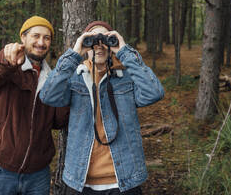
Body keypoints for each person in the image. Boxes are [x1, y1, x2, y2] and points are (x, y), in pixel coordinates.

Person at [40, 21, 164, 194]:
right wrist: (75, 53)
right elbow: (47, 95)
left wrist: (124, 51)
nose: (99, 46)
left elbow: (154, 92)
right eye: (92, 40)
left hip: (124, 180)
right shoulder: (74, 78)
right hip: (80, 181)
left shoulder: (126, 78)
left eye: (105, 39)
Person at [0, 16, 69, 195]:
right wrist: (6, 58)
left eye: (46, 38)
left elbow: (59, 122)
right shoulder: (10, 67)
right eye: (36, 36)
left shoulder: (51, 77)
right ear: (23, 38)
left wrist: (66, 88)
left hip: (37, 175)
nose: (41, 42)